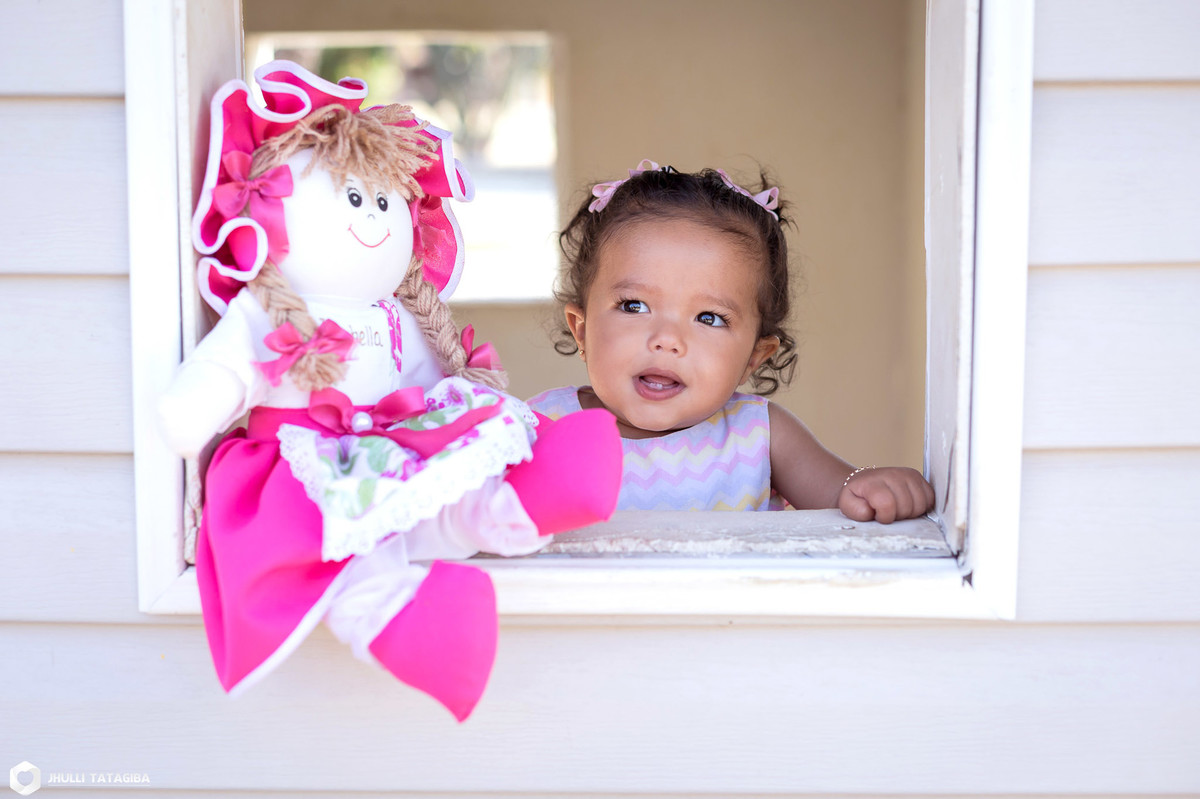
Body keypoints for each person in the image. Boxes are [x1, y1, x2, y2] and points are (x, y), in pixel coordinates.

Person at [528, 160, 933, 523]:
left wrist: (874, 486)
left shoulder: (758, 434)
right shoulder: (538, 427)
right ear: (581, 330)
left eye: (709, 318)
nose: (667, 340)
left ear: (753, 358)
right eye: (634, 306)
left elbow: (844, 494)